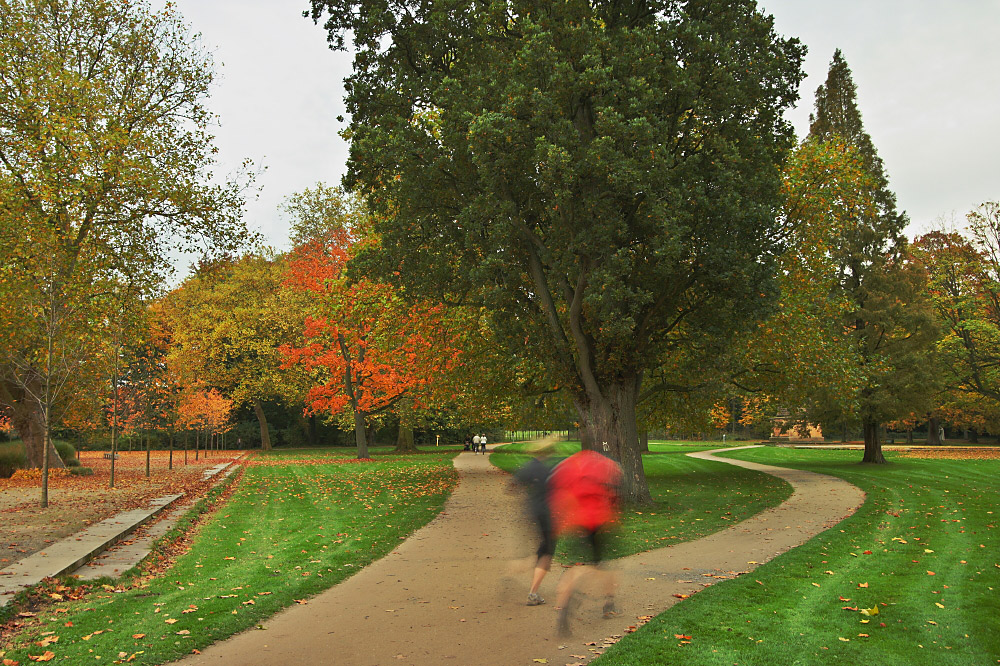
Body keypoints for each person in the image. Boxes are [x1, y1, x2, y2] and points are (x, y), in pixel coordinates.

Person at [548, 447, 623, 636]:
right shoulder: (605, 465)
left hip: (577, 521)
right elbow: (614, 493)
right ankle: (609, 603)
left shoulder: (571, 464)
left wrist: (560, 523)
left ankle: (563, 606)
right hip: (599, 521)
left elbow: (559, 493)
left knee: (574, 567)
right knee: (602, 565)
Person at [511, 436, 559, 606]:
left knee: (543, 547)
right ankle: (533, 593)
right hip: (547, 514)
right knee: (547, 550)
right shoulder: (551, 469)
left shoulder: (530, 467)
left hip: (532, 512)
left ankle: (523, 566)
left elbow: (512, 486)